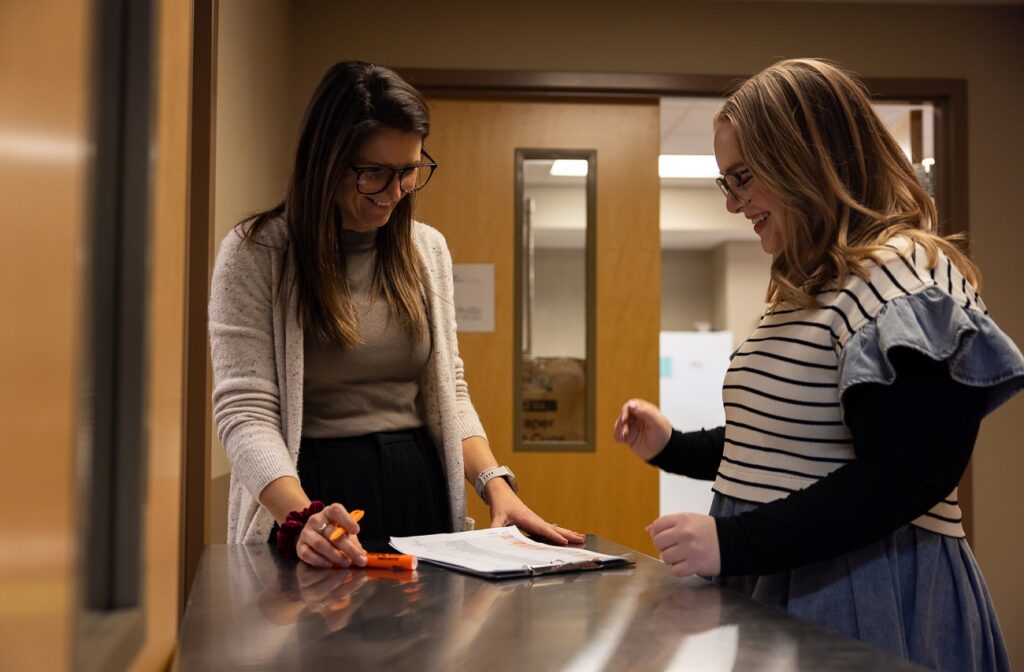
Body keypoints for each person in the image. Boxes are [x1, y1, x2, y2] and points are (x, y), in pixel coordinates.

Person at [614, 58, 1022, 670]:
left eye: (743, 179)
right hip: (791, 581)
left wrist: (733, 542)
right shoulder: (815, 284)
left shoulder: (902, 276)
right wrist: (674, 448)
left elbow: (907, 472)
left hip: (865, 593)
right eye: (726, 183)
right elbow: (790, 441)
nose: (733, 205)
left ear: (805, 160)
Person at [210, 60, 583, 569]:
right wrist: (301, 518)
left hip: (418, 487)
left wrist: (494, 482)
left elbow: (449, 389)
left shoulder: (425, 251)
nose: (394, 192)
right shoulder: (256, 253)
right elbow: (245, 410)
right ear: (326, 162)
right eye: (374, 174)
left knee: (428, 643)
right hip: (312, 497)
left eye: (409, 171)